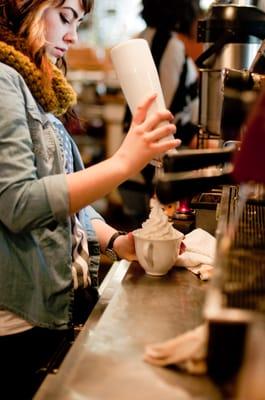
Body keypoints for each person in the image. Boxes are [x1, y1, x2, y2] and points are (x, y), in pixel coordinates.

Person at [0, 0, 180, 398]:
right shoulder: (1, 81)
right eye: (65, 17)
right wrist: (124, 161)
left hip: (55, 309)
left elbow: (68, 204)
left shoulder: (37, 91)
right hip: (18, 324)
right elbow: (17, 204)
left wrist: (117, 241)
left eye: (78, 23)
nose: (72, 35)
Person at [119, 0, 201, 226]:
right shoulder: (170, 46)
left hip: (134, 172)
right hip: (155, 178)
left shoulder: (143, 37)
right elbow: (165, 116)